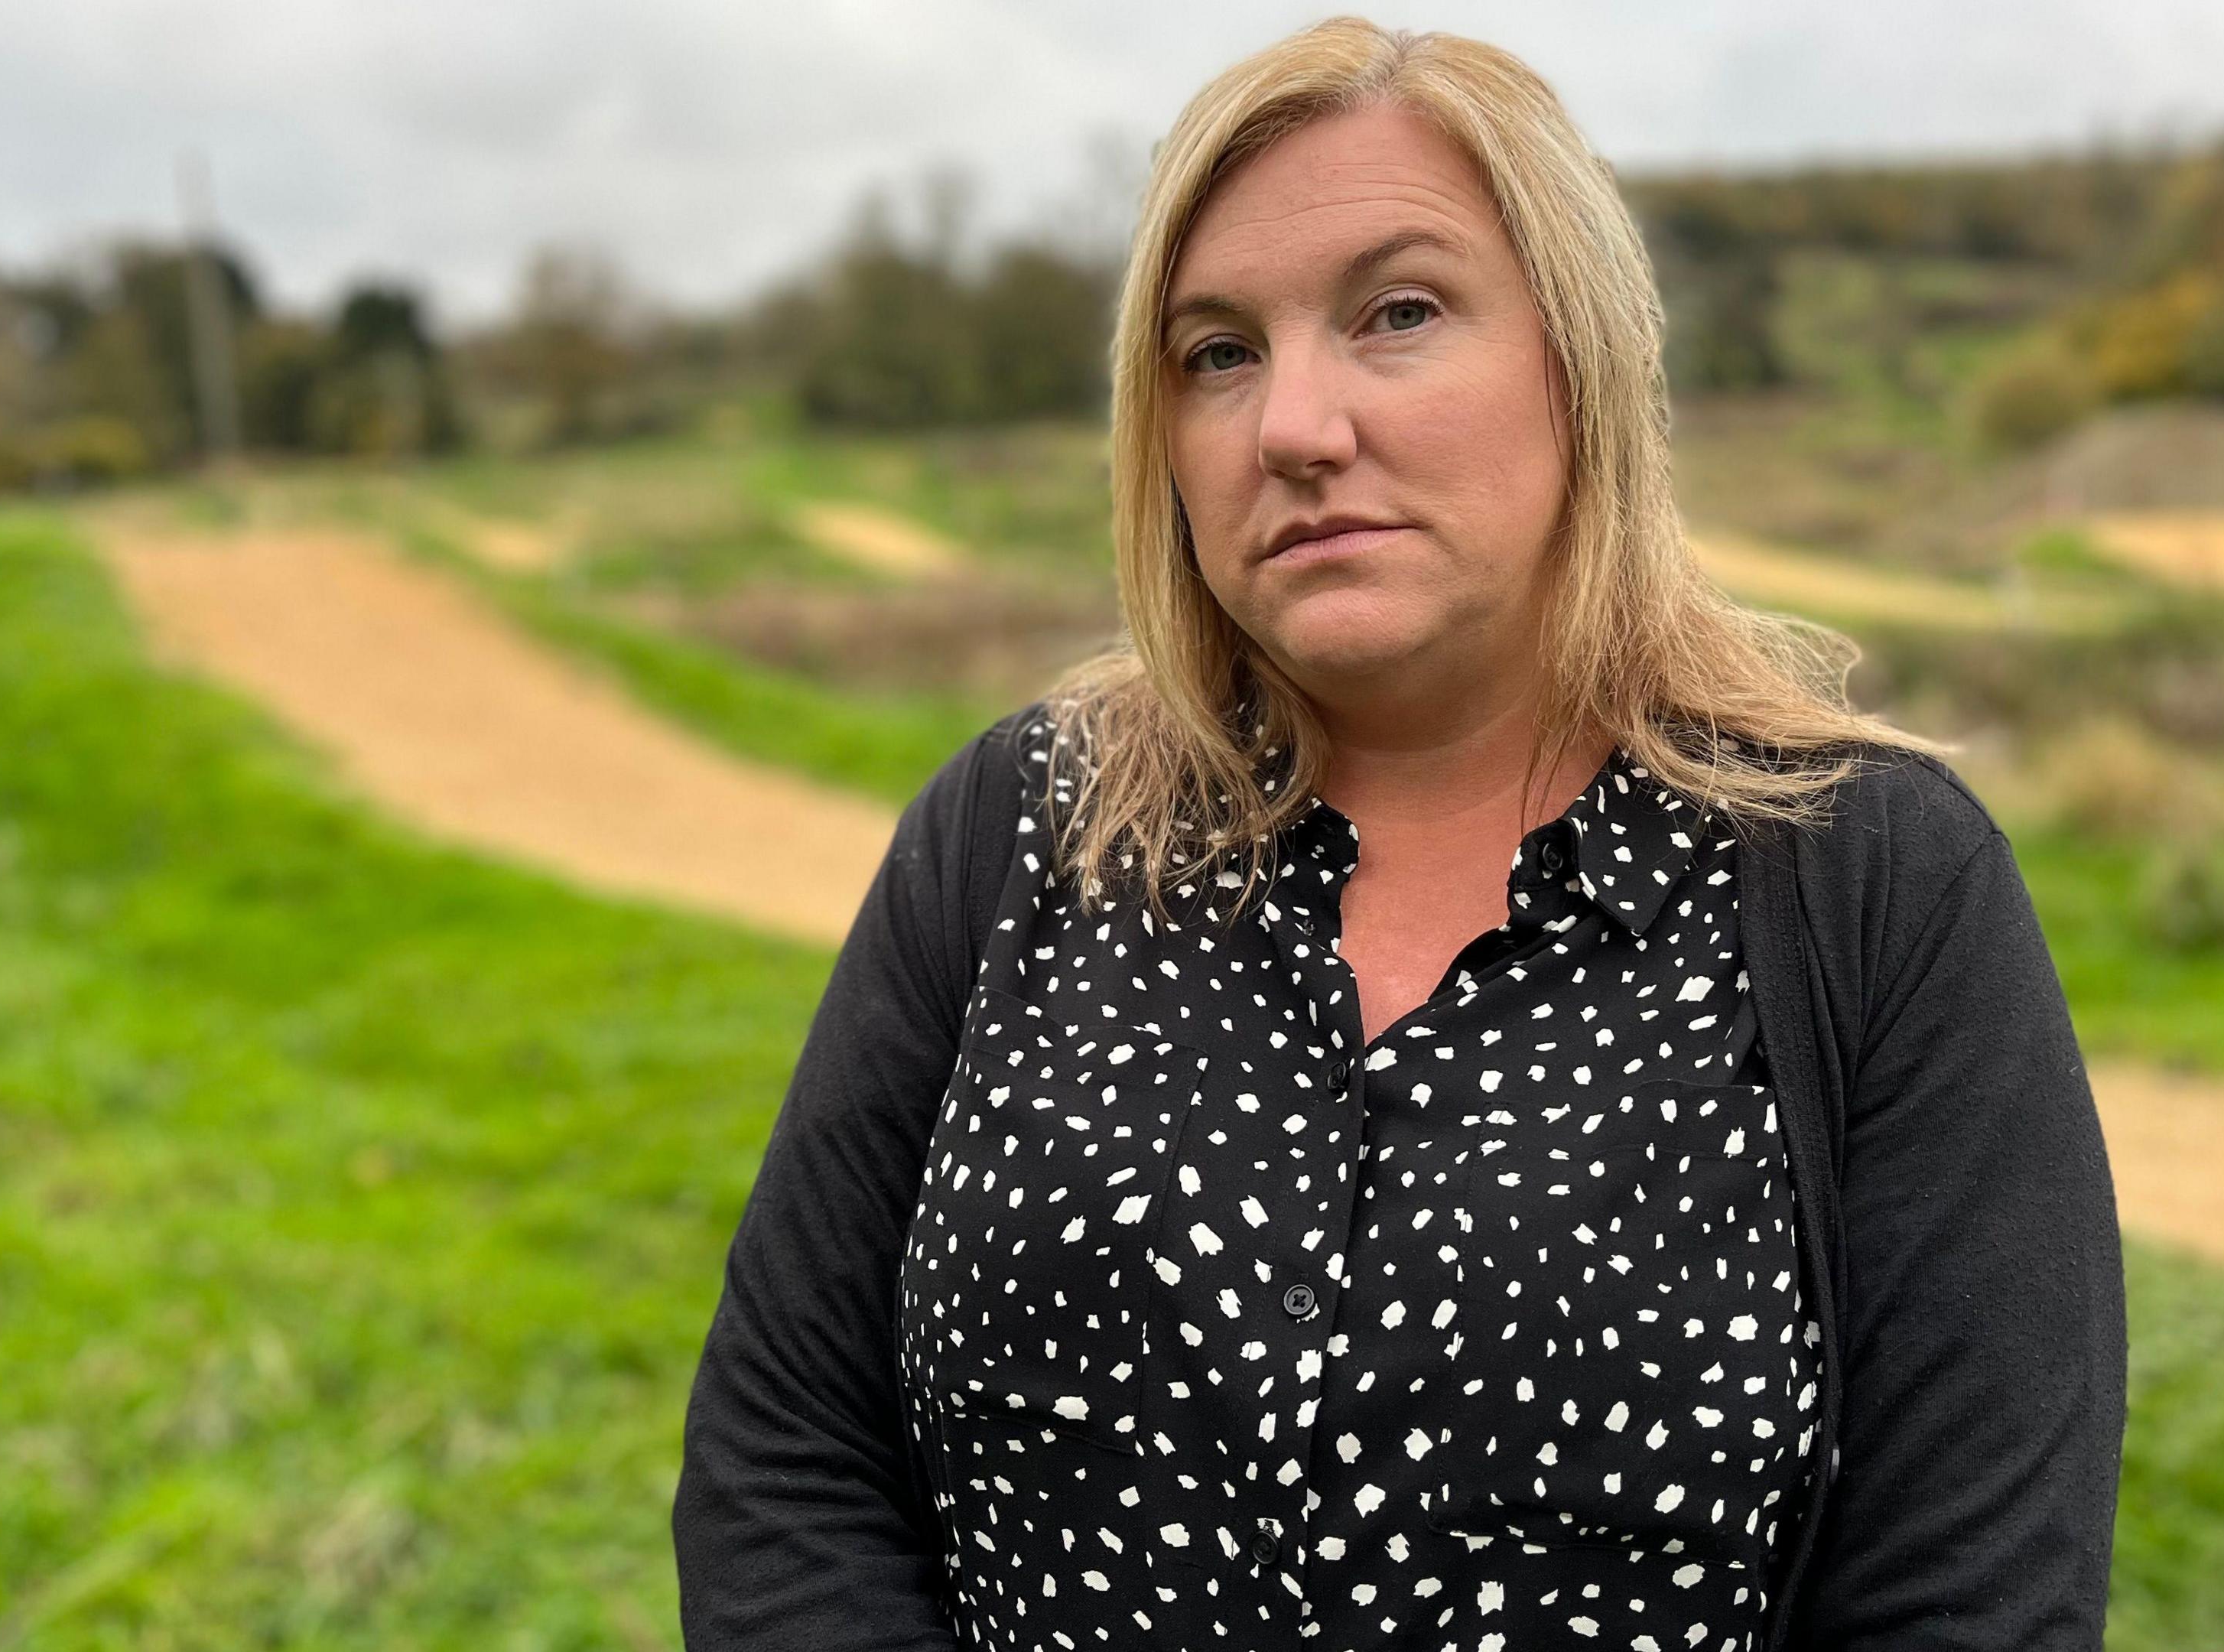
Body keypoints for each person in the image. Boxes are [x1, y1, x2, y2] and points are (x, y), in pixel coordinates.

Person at [673, 17, 2125, 1651]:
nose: (1293, 424)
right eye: (1217, 351)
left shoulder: (1873, 888)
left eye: (1400, 314)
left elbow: (1968, 1603)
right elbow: (785, 1463)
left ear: (1581, 360)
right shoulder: (1018, 835)